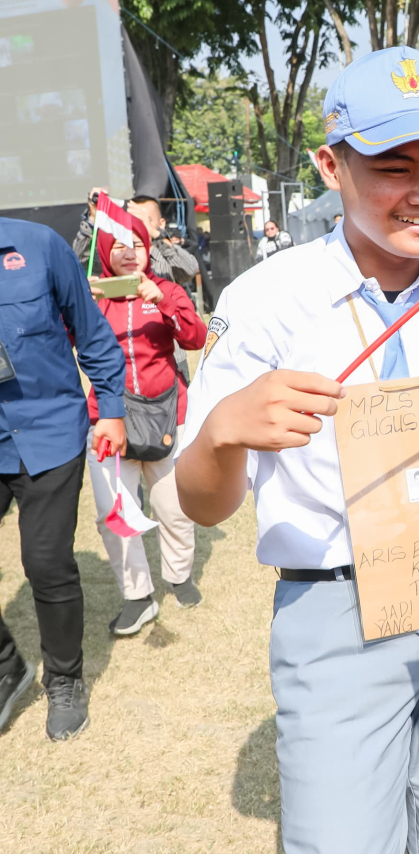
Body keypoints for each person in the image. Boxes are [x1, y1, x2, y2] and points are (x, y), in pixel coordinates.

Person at [174, 47, 419, 853]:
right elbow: (203, 502)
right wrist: (227, 427)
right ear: (331, 165)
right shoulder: (268, 301)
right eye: (394, 167)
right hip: (338, 613)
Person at [0, 217, 127, 741]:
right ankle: (9, 667)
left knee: (45, 562)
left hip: (47, 432)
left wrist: (112, 409)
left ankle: (65, 680)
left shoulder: (37, 245)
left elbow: (91, 330)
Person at [85, 210, 207, 636]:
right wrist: (76, 301)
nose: (129, 252)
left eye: (136, 243)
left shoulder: (167, 288)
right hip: (107, 422)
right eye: (118, 245)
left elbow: (195, 338)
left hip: (168, 417)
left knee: (173, 507)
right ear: (105, 252)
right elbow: (67, 344)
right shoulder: (93, 300)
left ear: (147, 248)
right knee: (113, 512)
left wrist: (163, 300)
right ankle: (137, 596)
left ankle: (179, 574)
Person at [74, 191, 200, 289]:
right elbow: (81, 258)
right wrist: (92, 219)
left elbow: (189, 270)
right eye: (135, 220)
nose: (140, 225)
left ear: (161, 223)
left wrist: (155, 233)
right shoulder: (118, 254)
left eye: (147, 220)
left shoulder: (167, 255)